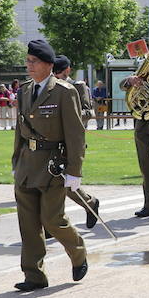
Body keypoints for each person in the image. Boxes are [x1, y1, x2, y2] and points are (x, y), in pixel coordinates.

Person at [11, 39, 89, 290]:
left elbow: (76, 134)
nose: (29, 66)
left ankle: (78, 253)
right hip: (26, 165)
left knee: (53, 220)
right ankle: (34, 275)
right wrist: (16, 160)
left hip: (53, 165)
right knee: (28, 224)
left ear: (47, 65)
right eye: (28, 61)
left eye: (33, 62)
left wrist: (75, 172)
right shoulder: (24, 90)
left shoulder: (65, 92)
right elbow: (20, 130)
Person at [53, 55, 102, 229]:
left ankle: (89, 203)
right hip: (51, 141)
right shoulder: (50, 86)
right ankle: (52, 223)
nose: (56, 75)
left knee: (66, 183)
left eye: (59, 72)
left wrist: (68, 115)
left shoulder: (78, 86)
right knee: (51, 183)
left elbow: (89, 113)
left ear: (67, 70)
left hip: (71, 141)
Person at [119, 70, 149, 219]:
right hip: (142, 121)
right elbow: (122, 86)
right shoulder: (144, 70)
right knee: (146, 165)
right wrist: (130, 80)